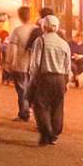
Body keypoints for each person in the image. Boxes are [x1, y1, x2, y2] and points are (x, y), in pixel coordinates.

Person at [29, 14, 72, 145]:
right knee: (57, 106)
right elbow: (67, 65)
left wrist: (32, 78)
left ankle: (46, 132)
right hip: (60, 79)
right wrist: (67, 81)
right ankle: (54, 133)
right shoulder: (64, 44)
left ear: (44, 27)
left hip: (44, 78)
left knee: (41, 106)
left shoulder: (40, 41)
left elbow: (34, 63)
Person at [5, 8, 38, 121]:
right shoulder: (36, 30)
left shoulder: (17, 31)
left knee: (22, 91)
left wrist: (9, 63)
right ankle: (31, 111)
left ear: (19, 16)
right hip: (34, 66)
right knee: (32, 89)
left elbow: (12, 49)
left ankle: (24, 114)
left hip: (20, 65)